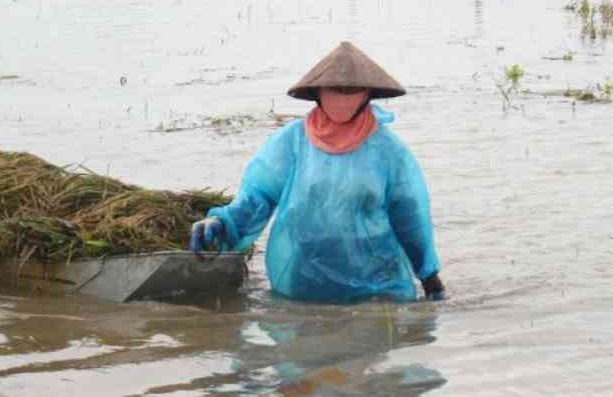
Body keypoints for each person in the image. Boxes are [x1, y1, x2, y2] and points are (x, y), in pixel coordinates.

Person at [190, 41, 445, 303]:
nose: (343, 97)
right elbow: (258, 198)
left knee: (371, 339)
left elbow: (410, 217)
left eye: (352, 90)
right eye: (335, 89)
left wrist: (429, 277)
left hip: (376, 286)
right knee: (304, 341)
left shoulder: (389, 151)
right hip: (303, 278)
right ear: (317, 93)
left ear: (367, 94)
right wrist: (221, 223)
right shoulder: (292, 142)